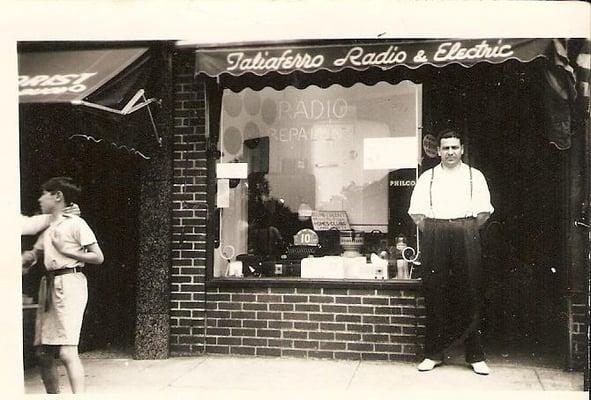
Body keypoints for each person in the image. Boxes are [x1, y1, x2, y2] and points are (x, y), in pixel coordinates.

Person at [408, 129, 494, 375]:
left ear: (462, 149)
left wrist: (461, 229)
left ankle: (475, 356)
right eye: (445, 148)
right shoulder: (428, 177)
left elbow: (483, 213)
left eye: (454, 147)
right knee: (435, 290)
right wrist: (439, 230)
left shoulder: (474, 176)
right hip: (435, 232)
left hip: (466, 230)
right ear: (438, 151)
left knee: (470, 291)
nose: (450, 153)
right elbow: (417, 214)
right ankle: (433, 354)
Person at [21, 177, 104, 393]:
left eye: (43, 193)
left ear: (57, 196)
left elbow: (97, 256)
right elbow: (34, 253)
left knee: (67, 351)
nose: (39, 198)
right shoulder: (50, 226)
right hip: (48, 285)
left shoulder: (76, 223)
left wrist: (67, 251)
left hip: (70, 284)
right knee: (43, 353)